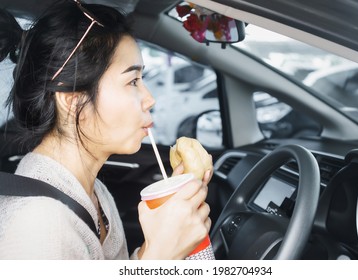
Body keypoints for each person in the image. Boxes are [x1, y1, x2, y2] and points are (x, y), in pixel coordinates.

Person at [0, 0, 212, 259]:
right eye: (133, 81)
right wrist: (159, 258)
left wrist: (157, 248)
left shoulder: (94, 193)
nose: (150, 99)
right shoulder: (37, 226)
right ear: (73, 100)